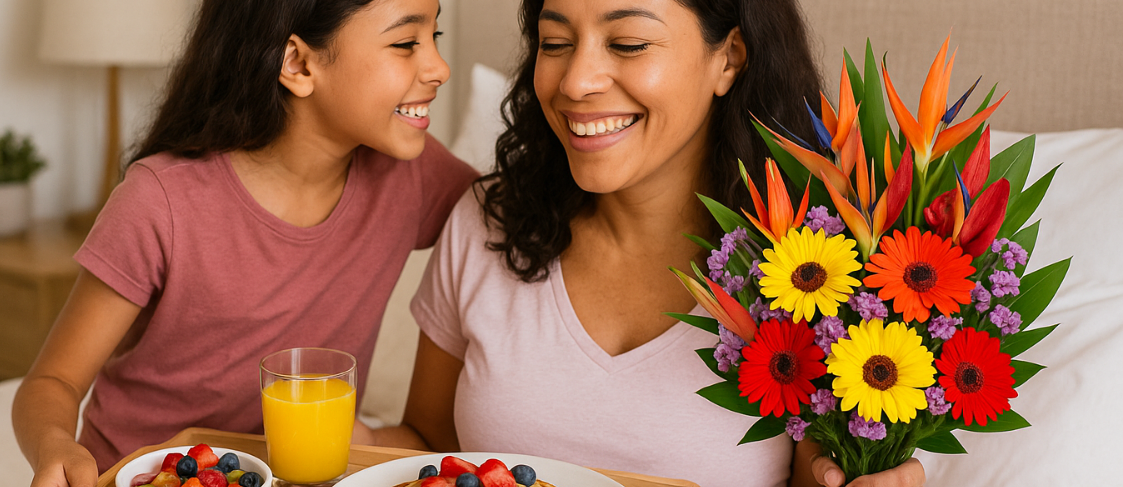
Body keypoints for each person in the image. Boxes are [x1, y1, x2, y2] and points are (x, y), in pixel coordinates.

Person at [353, 0, 924, 486]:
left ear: (728, 58)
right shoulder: (488, 219)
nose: (576, 82)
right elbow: (429, 448)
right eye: (555, 42)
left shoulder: (820, 272)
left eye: (627, 43)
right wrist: (331, 435)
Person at [12, 0, 478, 485]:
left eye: (435, 37)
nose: (439, 68)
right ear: (297, 63)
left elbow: (525, 220)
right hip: (142, 475)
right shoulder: (160, 201)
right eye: (405, 43)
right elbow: (53, 382)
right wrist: (56, 447)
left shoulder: (414, 179)